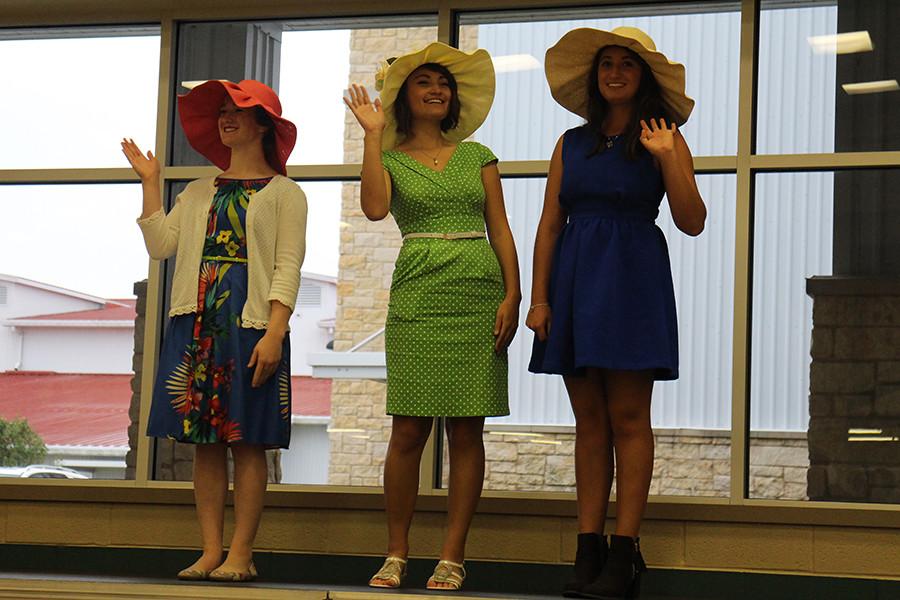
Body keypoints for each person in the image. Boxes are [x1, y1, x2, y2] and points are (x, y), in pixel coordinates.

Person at [527, 27, 706, 599]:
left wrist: (666, 158)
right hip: (576, 279)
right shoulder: (570, 143)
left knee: (628, 418)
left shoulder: (665, 137)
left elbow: (692, 219)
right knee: (588, 421)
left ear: (642, 76)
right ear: (595, 76)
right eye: (606, 63)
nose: (615, 72)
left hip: (632, 279)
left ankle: (624, 553)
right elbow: (551, 223)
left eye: (627, 63)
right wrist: (539, 297)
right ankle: (588, 549)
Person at [343, 42, 520, 591]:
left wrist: (513, 296)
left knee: (468, 431)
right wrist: (372, 137)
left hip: (478, 291)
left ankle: (452, 555)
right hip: (419, 293)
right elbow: (374, 208)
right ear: (405, 97)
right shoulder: (390, 157)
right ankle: (396, 552)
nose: (437, 90)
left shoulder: (478, 156)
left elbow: (501, 228)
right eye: (424, 82)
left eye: (443, 83)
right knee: (409, 429)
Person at [121, 79, 307, 582]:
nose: (226, 118)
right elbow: (161, 246)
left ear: (263, 124)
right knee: (204, 442)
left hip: (250, 326)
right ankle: (210, 550)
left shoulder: (286, 192)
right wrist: (151, 181)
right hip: (196, 320)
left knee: (247, 442)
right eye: (222, 111)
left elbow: (288, 266)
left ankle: (241, 555)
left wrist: (275, 331)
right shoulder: (199, 190)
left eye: (238, 111)